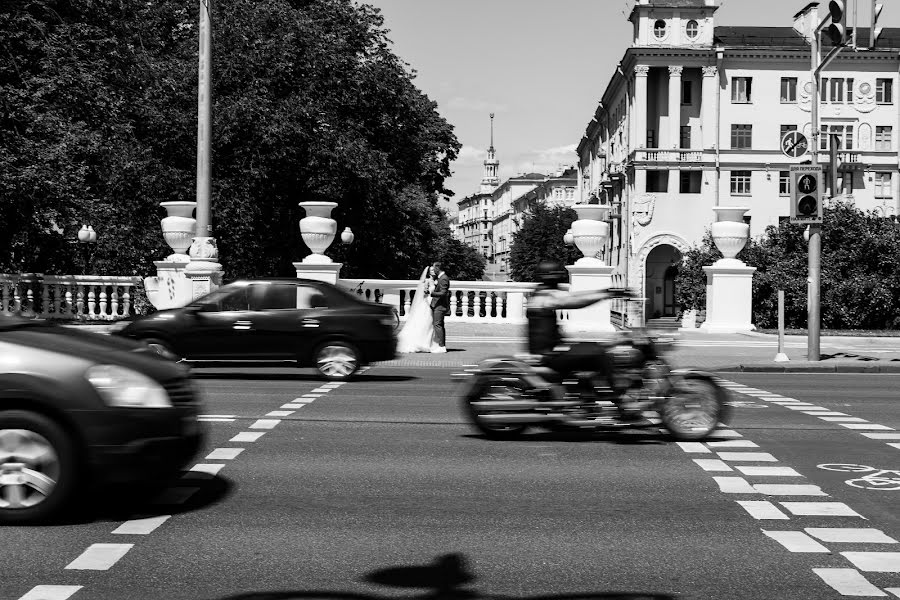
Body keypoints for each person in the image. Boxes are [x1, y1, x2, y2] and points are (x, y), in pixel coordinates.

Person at [526, 259, 638, 417]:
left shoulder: (541, 293)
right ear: (554, 278)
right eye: (559, 277)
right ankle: (618, 398)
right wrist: (609, 293)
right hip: (549, 356)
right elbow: (575, 300)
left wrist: (608, 292)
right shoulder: (546, 297)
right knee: (598, 352)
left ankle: (587, 394)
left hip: (550, 352)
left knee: (590, 347)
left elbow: (576, 295)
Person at [397, 266, 436, 353]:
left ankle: (427, 343)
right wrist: (428, 294)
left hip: (433, 303)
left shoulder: (436, 281)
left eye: (434, 270)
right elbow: (424, 293)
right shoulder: (427, 281)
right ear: (429, 273)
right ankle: (421, 343)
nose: (433, 272)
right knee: (425, 322)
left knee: (430, 324)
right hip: (427, 303)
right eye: (432, 270)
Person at [429, 261, 450, 353]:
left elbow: (443, 292)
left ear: (438, 268)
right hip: (438, 305)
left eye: (434, 269)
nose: (433, 270)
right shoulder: (440, 278)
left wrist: (432, 293)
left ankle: (442, 346)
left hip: (440, 306)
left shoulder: (443, 278)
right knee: (439, 325)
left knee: (438, 325)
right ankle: (440, 344)